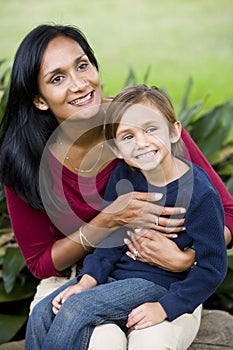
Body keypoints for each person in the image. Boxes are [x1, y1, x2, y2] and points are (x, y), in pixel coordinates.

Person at [0, 24, 232, 349]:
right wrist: (106, 229)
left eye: (82, 65)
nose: (79, 84)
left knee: (86, 314)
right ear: (39, 99)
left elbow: (221, 236)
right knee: (45, 313)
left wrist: (184, 258)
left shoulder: (153, 133)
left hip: (162, 277)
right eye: (57, 77)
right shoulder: (32, 160)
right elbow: (51, 259)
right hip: (101, 271)